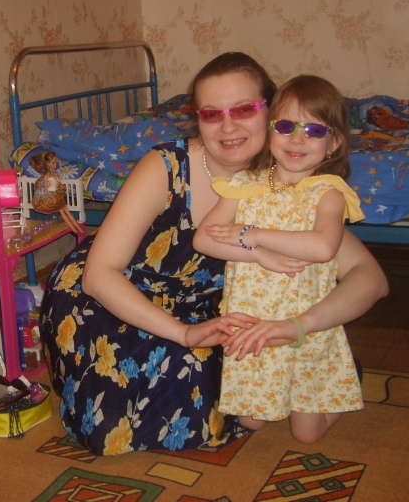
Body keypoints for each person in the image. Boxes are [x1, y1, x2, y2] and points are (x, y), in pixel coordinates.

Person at [39, 52, 389, 456]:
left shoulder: (290, 185)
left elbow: (370, 278)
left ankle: (323, 376)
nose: (228, 126)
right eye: (211, 114)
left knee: (209, 392)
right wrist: (182, 334)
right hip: (109, 298)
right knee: (108, 426)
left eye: (243, 109)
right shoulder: (166, 167)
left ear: (271, 113)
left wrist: (303, 325)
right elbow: (99, 275)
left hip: (205, 312)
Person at [194, 75, 365, 445]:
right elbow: (204, 239)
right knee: (250, 420)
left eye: (314, 130)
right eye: (286, 126)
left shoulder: (327, 192)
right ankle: (309, 387)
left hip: (302, 326)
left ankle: (341, 385)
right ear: (271, 130)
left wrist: (253, 234)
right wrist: (259, 255)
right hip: (252, 321)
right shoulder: (244, 184)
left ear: (334, 143)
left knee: (306, 435)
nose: (297, 139)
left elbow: (323, 248)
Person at [29, 150, 84, 234]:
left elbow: (57, 184)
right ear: (47, 164)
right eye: (53, 163)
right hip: (53, 197)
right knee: (63, 212)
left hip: (58, 195)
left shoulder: (55, 173)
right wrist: (52, 198)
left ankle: (78, 228)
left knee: (67, 212)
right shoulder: (46, 176)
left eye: (55, 162)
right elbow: (46, 190)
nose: (56, 165)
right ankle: (74, 229)